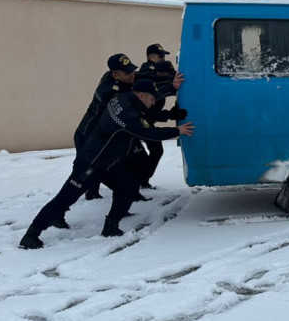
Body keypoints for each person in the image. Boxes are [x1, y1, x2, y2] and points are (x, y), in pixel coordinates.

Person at [19, 80, 194, 249]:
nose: (154, 101)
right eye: (152, 98)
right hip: (90, 164)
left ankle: (111, 227)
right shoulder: (127, 113)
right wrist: (177, 130)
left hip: (107, 164)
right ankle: (31, 235)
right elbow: (147, 131)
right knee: (65, 198)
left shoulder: (124, 99)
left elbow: (145, 115)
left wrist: (169, 114)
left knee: (128, 187)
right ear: (141, 96)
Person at [75, 54, 138, 199]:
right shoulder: (110, 92)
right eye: (128, 73)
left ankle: (95, 192)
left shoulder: (115, 78)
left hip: (99, 136)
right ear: (115, 75)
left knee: (99, 171)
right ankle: (58, 213)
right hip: (87, 136)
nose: (132, 75)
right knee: (81, 176)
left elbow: (140, 77)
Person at [136, 44, 186, 188]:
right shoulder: (148, 73)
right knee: (134, 156)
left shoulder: (157, 74)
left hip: (146, 120)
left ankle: (142, 181)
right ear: (151, 57)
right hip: (137, 121)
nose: (163, 58)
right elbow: (158, 88)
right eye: (160, 56)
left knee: (155, 150)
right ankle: (138, 182)